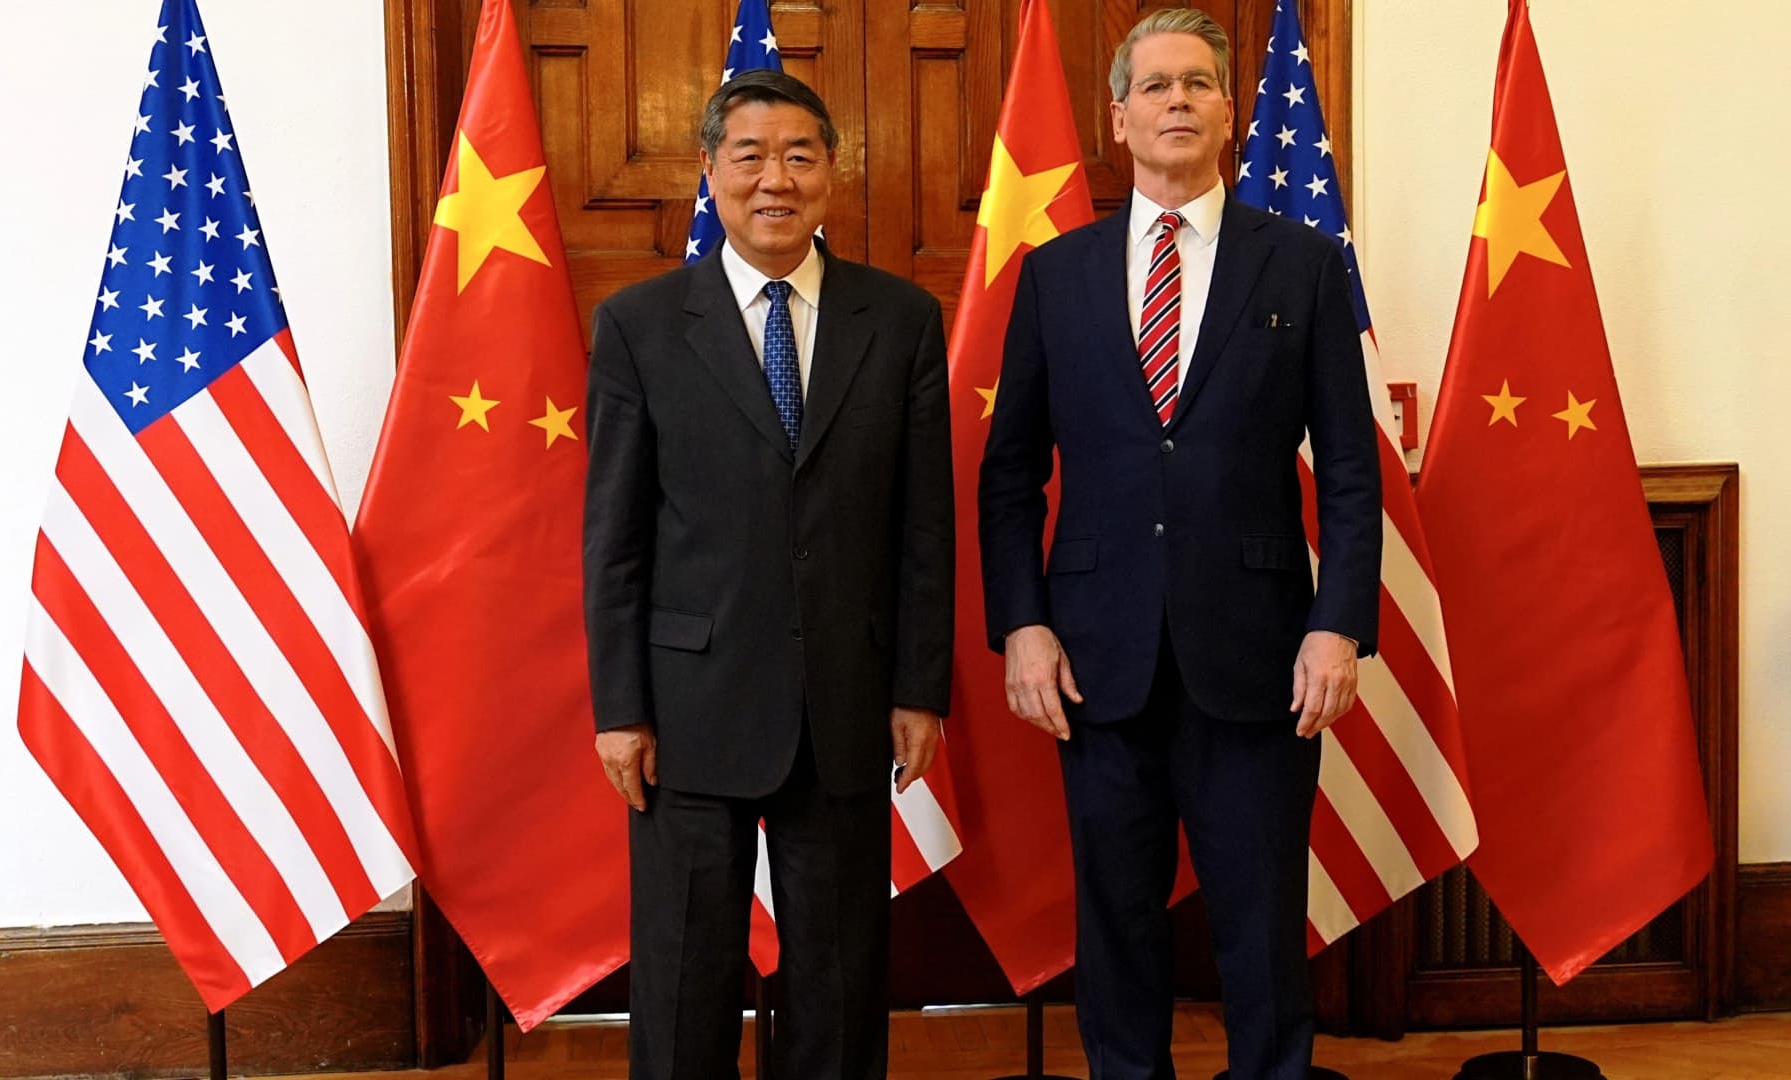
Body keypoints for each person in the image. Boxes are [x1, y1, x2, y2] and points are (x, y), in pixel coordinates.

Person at [977, 9, 1382, 1079]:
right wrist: (1022, 624)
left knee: (1261, 923)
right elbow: (1010, 472)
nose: (1177, 102)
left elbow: (1350, 468)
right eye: (1154, 86)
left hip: (1260, 655)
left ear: (1231, 113)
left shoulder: (1301, 266)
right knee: (1115, 925)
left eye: (1198, 84)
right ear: (1118, 118)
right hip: (1093, 657)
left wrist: (1338, 625)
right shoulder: (1055, 274)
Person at [581, 69, 954, 1080]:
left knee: (838, 982)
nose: (775, 180)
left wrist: (920, 687)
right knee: (684, 981)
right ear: (711, 171)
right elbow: (614, 537)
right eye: (750, 157)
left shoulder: (901, 320)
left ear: (833, 170)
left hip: (846, 701)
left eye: (798, 156)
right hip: (686, 710)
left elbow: (925, 526)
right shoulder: (640, 325)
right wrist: (620, 708)